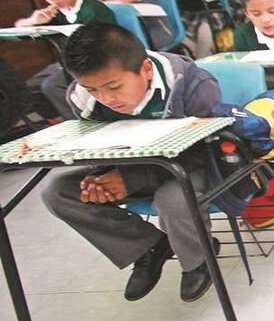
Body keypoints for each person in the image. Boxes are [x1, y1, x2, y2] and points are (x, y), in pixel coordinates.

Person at [41, 22, 226, 302]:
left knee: (173, 199)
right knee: (56, 191)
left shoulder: (192, 85)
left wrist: (131, 180)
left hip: (191, 166)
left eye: (114, 86)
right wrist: (100, 177)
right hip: (129, 167)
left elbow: (201, 150)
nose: (105, 98)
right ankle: (148, 247)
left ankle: (198, 259)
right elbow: (100, 142)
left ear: (146, 69)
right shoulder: (81, 97)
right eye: (92, 90)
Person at [18, 0, 118, 119]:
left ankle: (83, 122)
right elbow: (20, 29)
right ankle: (64, 117)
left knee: (52, 86)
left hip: (96, 61)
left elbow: (106, 46)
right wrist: (32, 20)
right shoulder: (54, 12)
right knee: (29, 87)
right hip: (66, 63)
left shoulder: (94, 11)